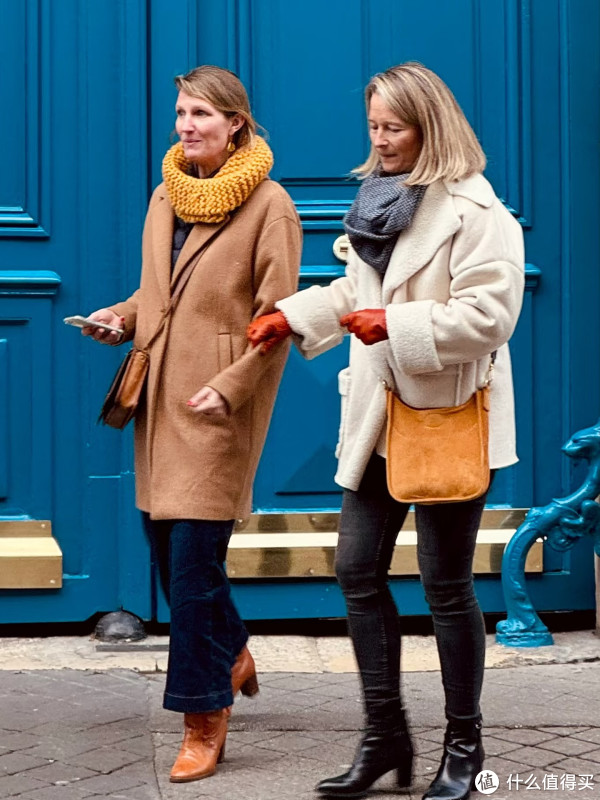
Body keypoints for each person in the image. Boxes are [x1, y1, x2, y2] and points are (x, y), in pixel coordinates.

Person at [247, 62, 524, 800]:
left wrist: (396, 325)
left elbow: (490, 317)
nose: (379, 139)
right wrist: (292, 318)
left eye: (393, 127)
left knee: (445, 584)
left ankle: (463, 746)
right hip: (378, 417)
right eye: (373, 125)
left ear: (430, 126)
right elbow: (357, 289)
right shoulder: (381, 199)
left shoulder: (478, 212)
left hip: (445, 419)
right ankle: (384, 737)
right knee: (355, 570)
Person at [83, 65, 302, 784]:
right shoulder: (167, 193)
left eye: (202, 114)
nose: (186, 126)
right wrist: (120, 318)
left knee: (192, 568)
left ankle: (203, 718)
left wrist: (232, 387)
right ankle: (231, 651)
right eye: (181, 112)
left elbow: (276, 320)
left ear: (236, 123)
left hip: (216, 409)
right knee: (171, 560)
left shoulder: (271, 206)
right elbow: (160, 293)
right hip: (160, 406)